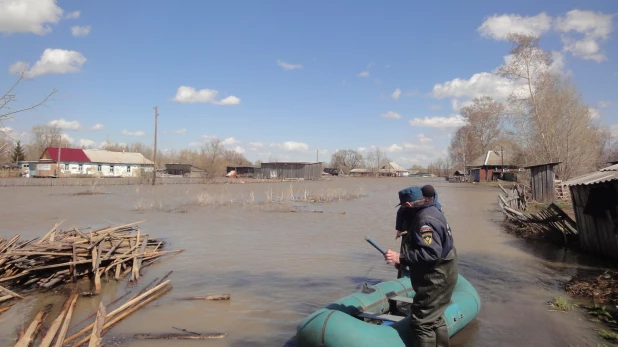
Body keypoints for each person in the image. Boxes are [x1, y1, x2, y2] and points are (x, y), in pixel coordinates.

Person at [386, 185, 458, 347]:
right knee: (435, 318)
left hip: (436, 279)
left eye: (404, 206)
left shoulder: (424, 221)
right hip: (446, 273)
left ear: (409, 205)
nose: (403, 210)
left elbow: (431, 254)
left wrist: (400, 257)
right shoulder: (434, 210)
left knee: (422, 322)